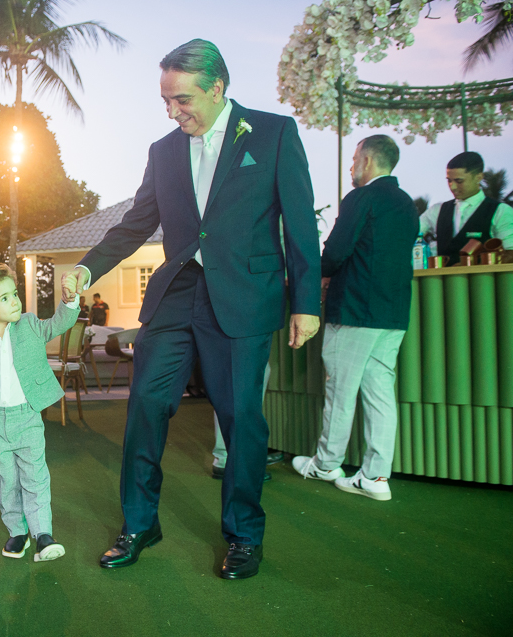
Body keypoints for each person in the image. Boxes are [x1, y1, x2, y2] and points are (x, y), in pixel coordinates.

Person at [62, 39, 321, 579]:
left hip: (244, 296)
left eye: (182, 99)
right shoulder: (163, 152)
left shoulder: (273, 133)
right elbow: (136, 224)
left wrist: (307, 302)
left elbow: (300, 224)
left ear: (217, 88)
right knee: (145, 406)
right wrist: (87, 269)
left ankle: (244, 535)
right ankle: (139, 523)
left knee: (241, 418)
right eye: (165, 100)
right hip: (177, 293)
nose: (172, 111)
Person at [292, 135, 418, 501]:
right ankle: (376, 477)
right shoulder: (406, 203)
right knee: (380, 395)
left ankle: (326, 463)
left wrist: (313, 275)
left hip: (355, 309)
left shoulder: (361, 198)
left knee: (340, 391)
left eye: (353, 160)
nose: (351, 167)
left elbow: (335, 251)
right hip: (393, 312)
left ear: (367, 160)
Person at [0, 264, 79, 562]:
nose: (15, 302)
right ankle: (17, 532)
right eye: (5, 298)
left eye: (15, 294)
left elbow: (58, 324)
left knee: (35, 476)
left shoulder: (30, 325)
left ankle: (43, 534)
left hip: (27, 417)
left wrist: (69, 300)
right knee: (6, 479)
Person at [419, 151, 513, 265]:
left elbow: (510, 253)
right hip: (443, 276)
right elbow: (411, 232)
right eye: (449, 180)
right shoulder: (437, 211)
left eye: (459, 181)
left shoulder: (500, 211)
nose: (452, 187)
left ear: (479, 177)